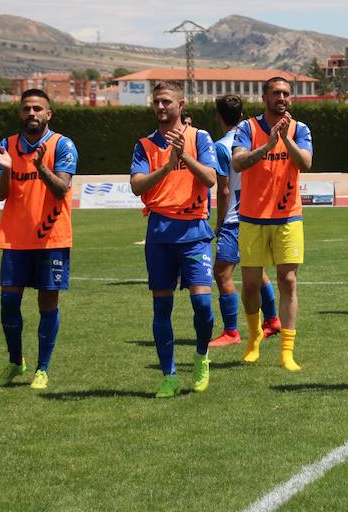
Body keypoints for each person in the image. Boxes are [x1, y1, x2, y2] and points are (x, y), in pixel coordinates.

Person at [130, 81, 219, 398]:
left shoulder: (200, 138)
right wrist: (168, 165)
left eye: (166, 101)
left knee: (202, 304)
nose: (160, 107)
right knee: (161, 308)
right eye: (156, 102)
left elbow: (210, 178)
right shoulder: (144, 145)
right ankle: (168, 375)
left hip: (194, 232)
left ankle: (201, 356)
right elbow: (137, 186)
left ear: (181, 104)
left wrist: (184, 157)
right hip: (159, 233)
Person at [0, 89, 78, 390]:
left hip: (51, 238)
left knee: (46, 303)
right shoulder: (7, 145)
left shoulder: (63, 145)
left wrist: (40, 167)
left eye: (38, 109)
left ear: (48, 114)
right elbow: (0, 193)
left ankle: (42, 368)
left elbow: (61, 190)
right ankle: (16, 361)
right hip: (15, 238)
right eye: (26, 108)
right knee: (8, 303)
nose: (32, 114)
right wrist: (5, 170)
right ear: (19, 113)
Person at [232, 77, 313, 371]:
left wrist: (285, 139)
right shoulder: (246, 128)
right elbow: (238, 163)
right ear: (264, 96)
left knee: (288, 281)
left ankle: (287, 352)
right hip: (252, 217)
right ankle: (254, 337)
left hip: (288, 216)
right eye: (276, 93)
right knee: (251, 284)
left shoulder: (299, 129)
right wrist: (267, 145)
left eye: (286, 94)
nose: (282, 97)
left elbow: (305, 163)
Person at [208, 95, 280, 347]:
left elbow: (224, 189)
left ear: (219, 117)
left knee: (222, 272)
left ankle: (231, 332)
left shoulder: (221, 146)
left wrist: (218, 224)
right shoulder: (255, 136)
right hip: (255, 214)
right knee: (256, 272)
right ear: (242, 115)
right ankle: (271, 320)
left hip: (234, 218)